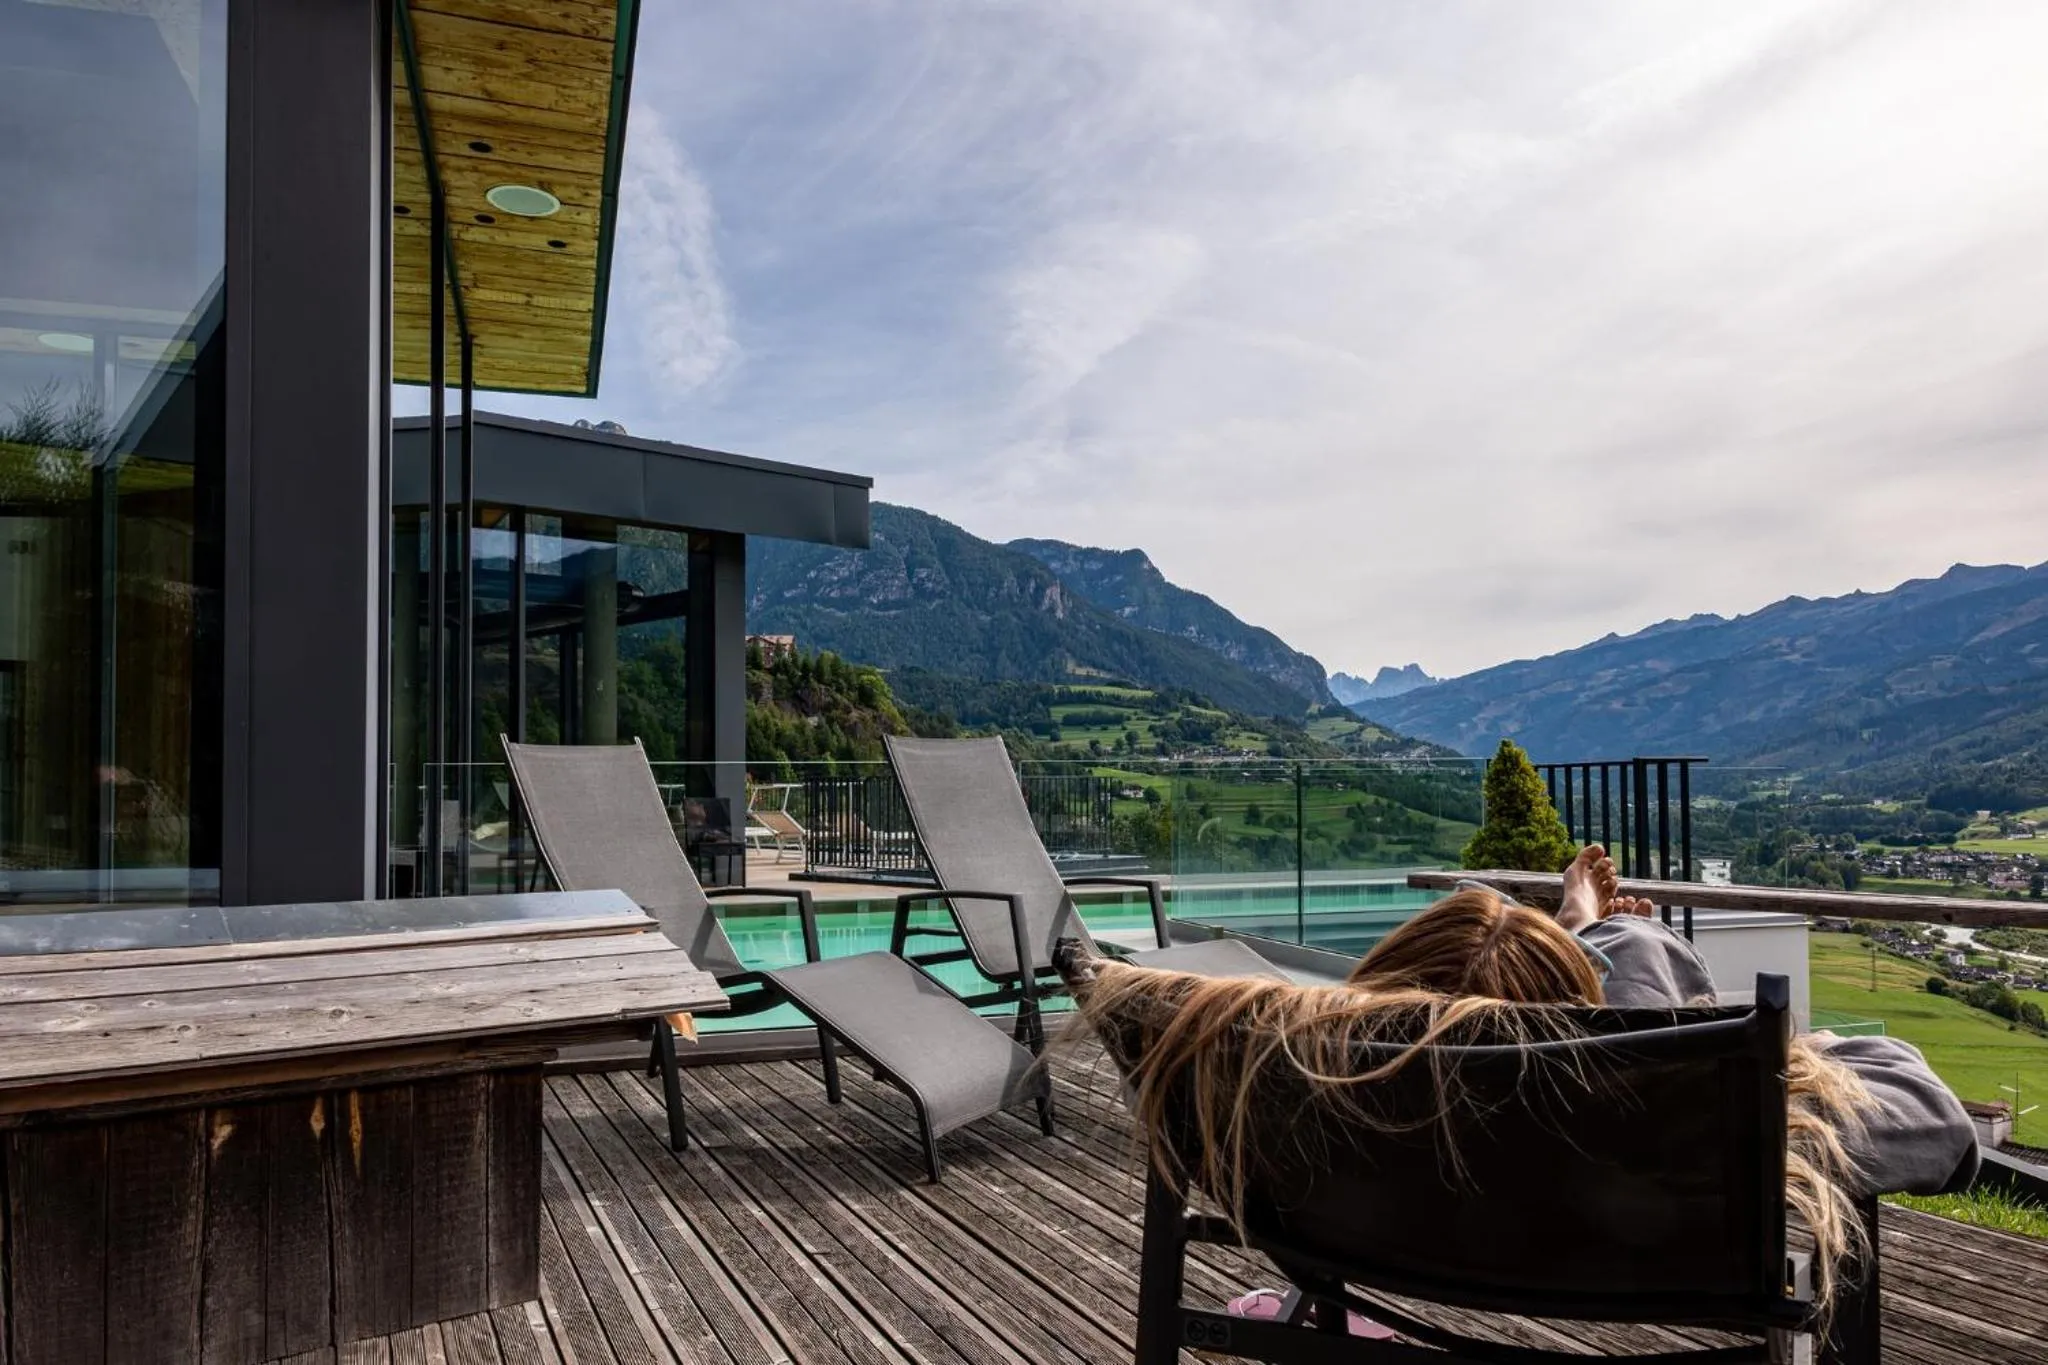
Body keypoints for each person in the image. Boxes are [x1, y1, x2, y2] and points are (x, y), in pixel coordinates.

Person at [1061, 845, 1976, 1309]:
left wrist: (1580, 934)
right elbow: (1936, 1120)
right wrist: (1778, 1056)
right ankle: (1591, 943)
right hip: (1601, 1209)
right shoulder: (1674, 1110)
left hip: (1401, 1236)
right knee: (1632, 967)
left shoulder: (1330, 1079)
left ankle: (1579, 938)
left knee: (1586, 980)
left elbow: (1456, 1031)